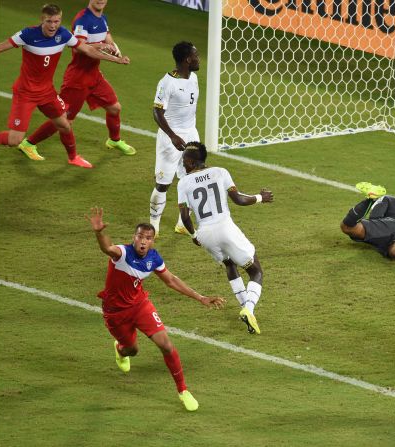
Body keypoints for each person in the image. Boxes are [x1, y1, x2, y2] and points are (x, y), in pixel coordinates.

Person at [86, 206, 225, 411]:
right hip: (115, 312)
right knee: (132, 350)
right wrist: (100, 233)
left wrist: (200, 297)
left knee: (167, 345)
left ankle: (183, 390)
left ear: (153, 241)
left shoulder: (154, 259)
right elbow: (108, 248)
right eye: (140, 236)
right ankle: (120, 349)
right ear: (134, 238)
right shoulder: (123, 253)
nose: (143, 241)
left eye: (148, 238)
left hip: (140, 305)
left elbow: (171, 280)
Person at [0, 3, 130, 168]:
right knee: (14, 140)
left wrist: (117, 59)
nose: (53, 26)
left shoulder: (64, 34)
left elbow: (87, 50)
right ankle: (26, 143)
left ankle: (73, 157)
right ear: (42, 20)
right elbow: (0, 48)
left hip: (47, 93)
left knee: (65, 125)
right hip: (26, 93)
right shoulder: (27, 34)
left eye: (57, 21)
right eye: (49, 21)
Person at [176, 142, 274, 335]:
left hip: (205, 233)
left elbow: (185, 216)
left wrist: (194, 235)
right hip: (225, 227)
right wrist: (261, 197)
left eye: (183, 160)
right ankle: (249, 309)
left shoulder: (183, 183)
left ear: (190, 161)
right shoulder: (220, 172)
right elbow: (239, 199)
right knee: (256, 271)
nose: (182, 163)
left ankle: (247, 311)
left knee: (229, 264)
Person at [149, 41, 201, 237]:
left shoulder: (194, 78)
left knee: (191, 179)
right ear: (188, 59)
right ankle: (154, 224)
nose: (199, 59)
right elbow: (157, 111)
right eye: (196, 56)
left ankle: (182, 222)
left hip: (191, 133)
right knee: (163, 183)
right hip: (171, 137)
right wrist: (172, 136)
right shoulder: (167, 82)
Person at [340, 181, 395, 260]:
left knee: (347, 227)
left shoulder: (389, 199)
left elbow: (374, 218)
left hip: (389, 224)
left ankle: (370, 199)